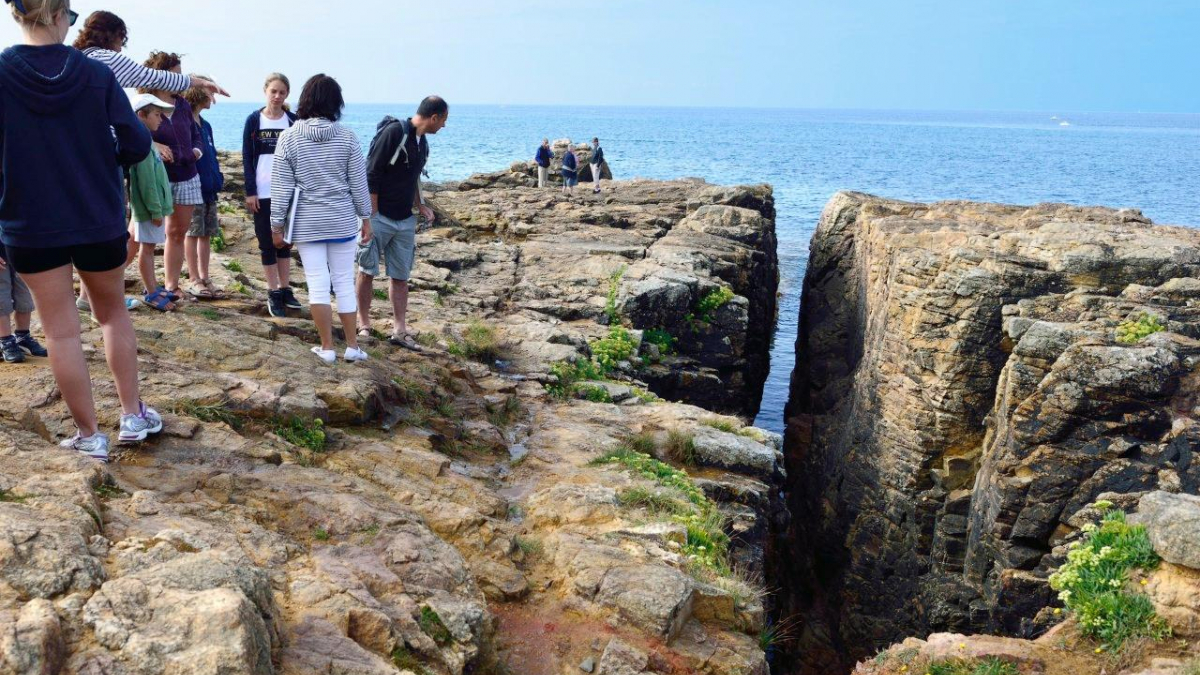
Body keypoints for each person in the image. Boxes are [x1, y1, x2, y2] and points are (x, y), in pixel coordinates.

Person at [0, 0, 162, 462]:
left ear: (17, 15)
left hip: (28, 223)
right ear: (59, 16)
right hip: (96, 215)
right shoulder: (95, 74)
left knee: (61, 332)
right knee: (111, 314)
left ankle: (90, 435)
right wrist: (98, 154)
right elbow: (136, 142)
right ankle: (132, 415)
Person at [270, 74, 372, 364]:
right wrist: (366, 218)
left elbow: (281, 186)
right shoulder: (347, 136)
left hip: (307, 221)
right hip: (341, 219)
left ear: (305, 100)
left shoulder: (289, 137)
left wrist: (276, 225)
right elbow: (358, 183)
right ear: (335, 103)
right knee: (342, 281)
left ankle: (327, 347)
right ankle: (352, 346)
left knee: (317, 283)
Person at [356, 96, 449, 351]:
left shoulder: (423, 142)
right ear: (434, 117)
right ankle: (363, 324)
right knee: (367, 271)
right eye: (443, 120)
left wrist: (420, 205)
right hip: (379, 217)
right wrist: (371, 215)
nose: (443, 126)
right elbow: (371, 172)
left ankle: (399, 328)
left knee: (400, 276)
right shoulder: (394, 132)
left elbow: (414, 176)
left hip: (405, 220)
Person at [140, 52, 203, 302]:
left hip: (187, 175)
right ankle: (143, 285)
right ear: (160, 74)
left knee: (177, 233)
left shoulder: (184, 104)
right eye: (174, 74)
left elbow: (196, 134)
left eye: (180, 74)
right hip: (156, 180)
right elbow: (129, 133)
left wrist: (197, 150)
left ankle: (171, 285)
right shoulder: (143, 103)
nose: (178, 80)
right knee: (143, 236)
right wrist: (152, 143)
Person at [242, 73, 300, 317]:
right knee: (267, 242)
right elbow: (247, 157)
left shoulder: (293, 121)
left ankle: (286, 288)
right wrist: (250, 192)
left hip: (287, 193)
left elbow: (300, 158)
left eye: (282, 92)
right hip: (262, 192)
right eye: (273, 91)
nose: (277, 96)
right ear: (265, 91)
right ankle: (273, 291)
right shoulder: (254, 120)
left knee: (285, 243)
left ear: (287, 95)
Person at [126, 93, 176, 312]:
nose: (161, 119)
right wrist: (156, 210)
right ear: (141, 115)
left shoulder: (146, 141)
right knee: (146, 250)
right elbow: (147, 183)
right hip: (148, 211)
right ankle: (151, 292)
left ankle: (153, 286)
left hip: (153, 209)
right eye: (157, 114)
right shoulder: (143, 145)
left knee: (146, 247)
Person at [183, 76, 223, 299]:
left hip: (209, 187)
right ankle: (194, 278)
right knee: (192, 232)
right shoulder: (185, 121)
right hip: (192, 185)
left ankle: (205, 276)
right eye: (211, 92)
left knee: (206, 233)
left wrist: (218, 177)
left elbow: (212, 154)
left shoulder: (205, 125)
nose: (214, 97)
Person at [0, 251, 47, 364]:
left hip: (20, 249)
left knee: (24, 295)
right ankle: (5, 341)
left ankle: (22, 336)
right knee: (1, 296)